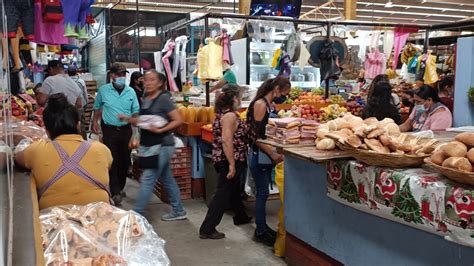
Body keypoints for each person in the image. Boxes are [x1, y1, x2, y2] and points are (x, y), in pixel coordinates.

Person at [15, 93, 112, 210]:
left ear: (46, 130)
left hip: (54, 222)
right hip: (99, 219)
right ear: (78, 125)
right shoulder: (102, 149)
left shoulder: (37, 150)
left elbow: (17, 158)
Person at [118, 70, 187, 221]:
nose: (148, 82)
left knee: (148, 178)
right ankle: (179, 210)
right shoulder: (146, 98)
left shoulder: (163, 99)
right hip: (150, 144)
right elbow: (144, 120)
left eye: (152, 80)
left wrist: (161, 129)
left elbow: (178, 120)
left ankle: (136, 215)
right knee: (167, 178)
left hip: (162, 145)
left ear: (160, 83)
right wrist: (128, 119)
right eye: (146, 80)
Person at [199, 84, 252, 239]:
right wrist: (232, 165)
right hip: (229, 159)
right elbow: (227, 141)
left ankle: (240, 215)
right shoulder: (230, 116)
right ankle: (207, 228)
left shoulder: (222, 113)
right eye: (241, 97)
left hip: (226, 158)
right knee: (222, 194)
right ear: (235, 98)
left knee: (232, 189)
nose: (241, 100)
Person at [247, 76, 290, 246]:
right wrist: (272, 154)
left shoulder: (269, 104)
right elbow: (254, 136)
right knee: (262, 194)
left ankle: (263, 227)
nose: (284, 97)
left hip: (266, 155)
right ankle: (260, 231)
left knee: (263, 193)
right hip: (260, 156)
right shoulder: (260, 104)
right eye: (284, 93)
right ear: (277, 89)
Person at [92, 63, 139, 206]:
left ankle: (120, 186)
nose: (121, 77)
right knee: (112, 160)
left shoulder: (131, 92)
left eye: (123, 75)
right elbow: (97, 107)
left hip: (126, 130)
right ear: (111, 75)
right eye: (118, 74)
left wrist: (135, 132)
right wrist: (95, 122)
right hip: (109, 130)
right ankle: (115, 190)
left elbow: (136, 111)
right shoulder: (103, 90)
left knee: (124, 161)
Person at [68, 66, 89, 139]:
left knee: (70, 125)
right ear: (76, 72)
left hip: (69, 108)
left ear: (68, 73)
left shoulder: (66, 82)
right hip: (80, 107)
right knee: (82, 126)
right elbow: (85, 94)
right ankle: (84, 141)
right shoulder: (81, 81)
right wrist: (85, 105)